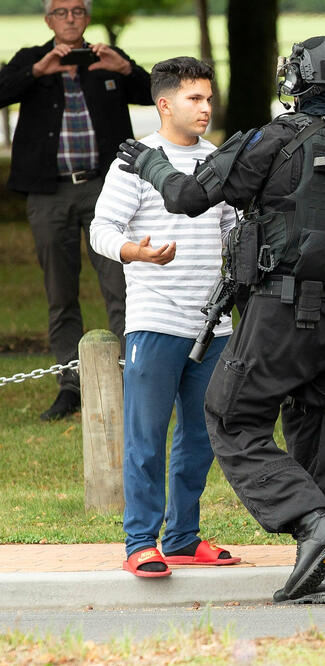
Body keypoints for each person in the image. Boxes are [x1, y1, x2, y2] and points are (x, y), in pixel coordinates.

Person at [116, 36, 325, 603]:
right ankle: (323, 573)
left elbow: (192, 196)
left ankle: (312, 524)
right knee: (315, 424)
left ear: (297, 79)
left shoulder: (275, 139)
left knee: (230, 417)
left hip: (280, 311)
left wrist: (149, 162)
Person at [90, 57, 241, 578]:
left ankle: (181, 537)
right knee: (147, 437)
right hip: (155, 321)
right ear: (164, 103)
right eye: (194, 98)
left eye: (208, 98)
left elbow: (232, 232)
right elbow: (100, 229)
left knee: (202, 437)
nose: (206, 107)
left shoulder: (217, 160)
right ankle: (140, 541)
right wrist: (135, 251)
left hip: (213, 325)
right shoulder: (136, 161)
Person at [0, 0, 153, 420]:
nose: (70, 19)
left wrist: (125, 70)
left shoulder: (106, 60)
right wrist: (37, 72)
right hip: (49, 193)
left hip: (108, 189)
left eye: (78, 12)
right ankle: (71, 386)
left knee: (121, 286)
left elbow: (155, 94)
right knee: (60, 292)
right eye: (61, 12)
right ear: (49, 20)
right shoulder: (33, 60)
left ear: (87, 18)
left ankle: (127, 379)